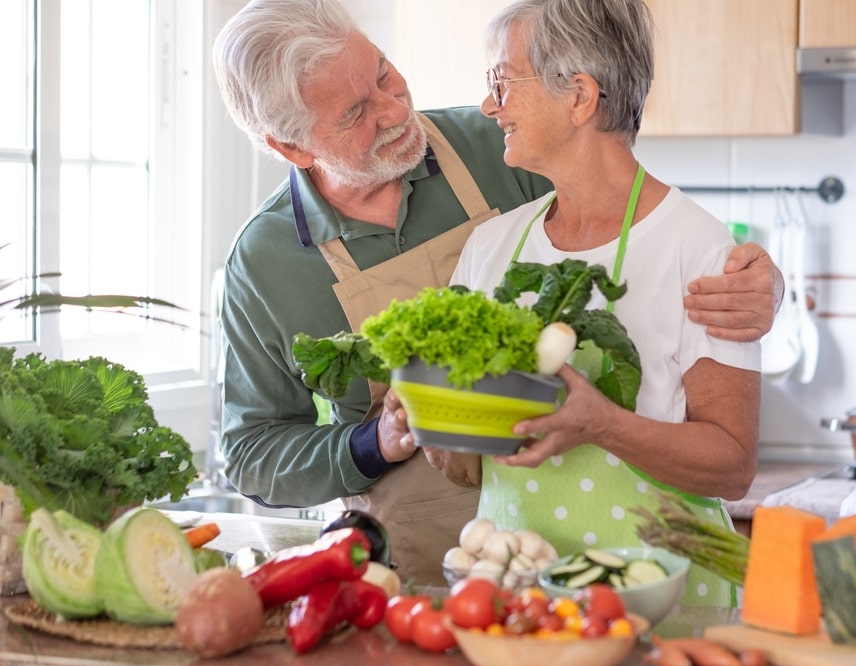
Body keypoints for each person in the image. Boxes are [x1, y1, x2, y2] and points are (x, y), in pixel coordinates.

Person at [212, 0, 776, 585]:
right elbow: (255, 452)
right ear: (293, 148)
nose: (394, 107)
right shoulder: (265, 263)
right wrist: (374, 442)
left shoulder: (499, 148)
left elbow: (633, 216)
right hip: (434, 564)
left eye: (382, 72)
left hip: (631, 571)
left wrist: (755, 281)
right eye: (355, 112)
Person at [437, 0, 760, 605]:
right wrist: (433, 426)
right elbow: (465, 468)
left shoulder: (700, 250)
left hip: (664, 610)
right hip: (518, 604)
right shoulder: (492, 247)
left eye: (503, 81)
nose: (489, 106)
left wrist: (605, 426)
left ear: (580, 97)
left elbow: (734, 466)